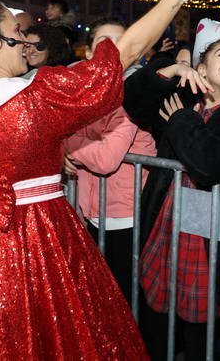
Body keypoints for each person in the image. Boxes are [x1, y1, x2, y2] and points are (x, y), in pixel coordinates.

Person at [0, 0, 216, 359]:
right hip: (31, 249)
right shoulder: (38, 98)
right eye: (19, 34)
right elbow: (125, 52)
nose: (30, 43)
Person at [125, 37, 220, 360]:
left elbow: (209, 165)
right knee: (156, 320)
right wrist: (165, 69)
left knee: (202, 332)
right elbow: (133, 102)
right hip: (167, 222)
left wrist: (181, 121)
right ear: (201, 68)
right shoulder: (181, 100)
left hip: (212, 236)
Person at [62, 18, 156, 302]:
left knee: (123, 301)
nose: (114, 49)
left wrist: (66, 147)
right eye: (105, 42)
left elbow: (105, 159)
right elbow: (53, 132)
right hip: (90, 213)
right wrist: (60, 146)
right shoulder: (81, 93)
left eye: (122, 42)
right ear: (89, 53)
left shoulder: (132, 96)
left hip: (126, 218)